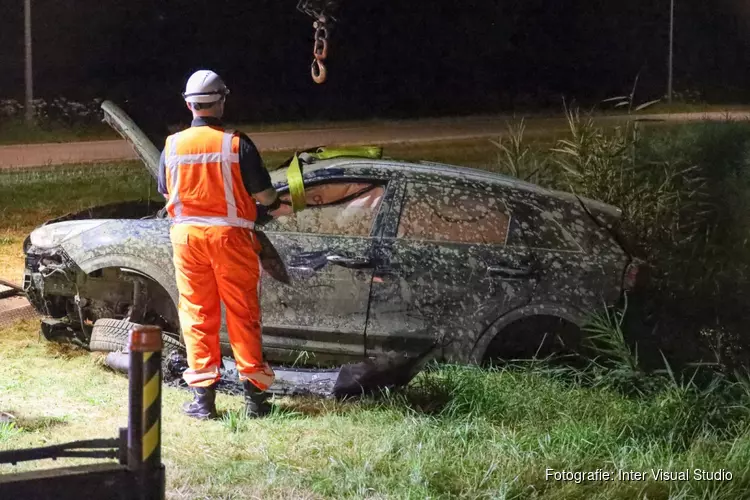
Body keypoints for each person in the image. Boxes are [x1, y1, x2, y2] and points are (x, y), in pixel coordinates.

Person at [157, 69, 283, 420]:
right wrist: (271, 204)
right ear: (222, 101)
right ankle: (255, 401)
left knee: (197, 314)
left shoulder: (172, 146)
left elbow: (166, 191)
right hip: (230, 238)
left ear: (188, 103)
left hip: (186, 239)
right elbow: (265, 195)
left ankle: (203, 402)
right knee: (242, 312)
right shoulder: (236, 143)